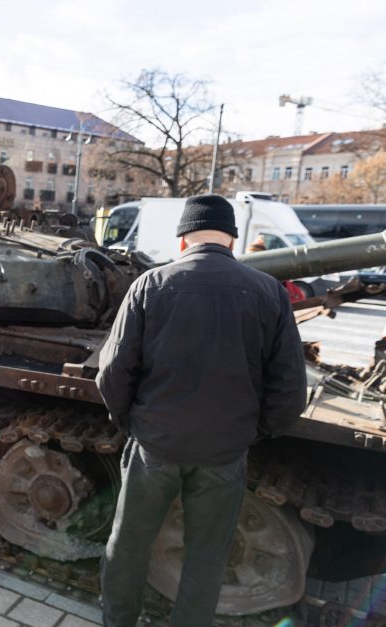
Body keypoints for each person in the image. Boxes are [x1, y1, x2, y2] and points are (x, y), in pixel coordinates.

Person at [96, 194, 307, 626]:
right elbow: (289, 389)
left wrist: (134, 424)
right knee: (207, 557)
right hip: (224, 453)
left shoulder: (150, 285)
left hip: (155, 446)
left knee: (128, 544)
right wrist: (255, 431)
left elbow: (113, 374)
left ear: (182, 241)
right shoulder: (269, 292)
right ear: (232, 240)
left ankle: (118, 621)